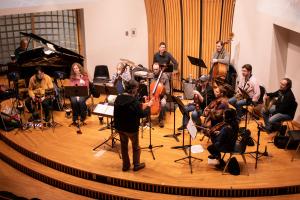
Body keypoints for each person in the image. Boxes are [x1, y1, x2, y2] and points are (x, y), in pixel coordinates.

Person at [114, 80, 153, 172]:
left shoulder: (118, 98)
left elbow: (131, 109)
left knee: (124, 146)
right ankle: (136, 165)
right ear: (134, 89)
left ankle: (125, 166)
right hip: (131, 129)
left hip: (120, 127)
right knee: (135, 147)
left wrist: (143, 105)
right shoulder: (133, 101)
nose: (137, 90)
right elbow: (141, 114)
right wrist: (149, 106)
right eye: (137, 88)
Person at [151, 62, 170, 128]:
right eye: (154, 69)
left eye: (156, 69)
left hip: (162, 96)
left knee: (163, 103)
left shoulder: (164, 77)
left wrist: (164, 97)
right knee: (146, 101)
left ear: (159, 69)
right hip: (152, 95)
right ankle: (147, 119)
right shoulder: (151, 76)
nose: (155, 71)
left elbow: (167, 90)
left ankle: (161, 119)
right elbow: (149, 87)